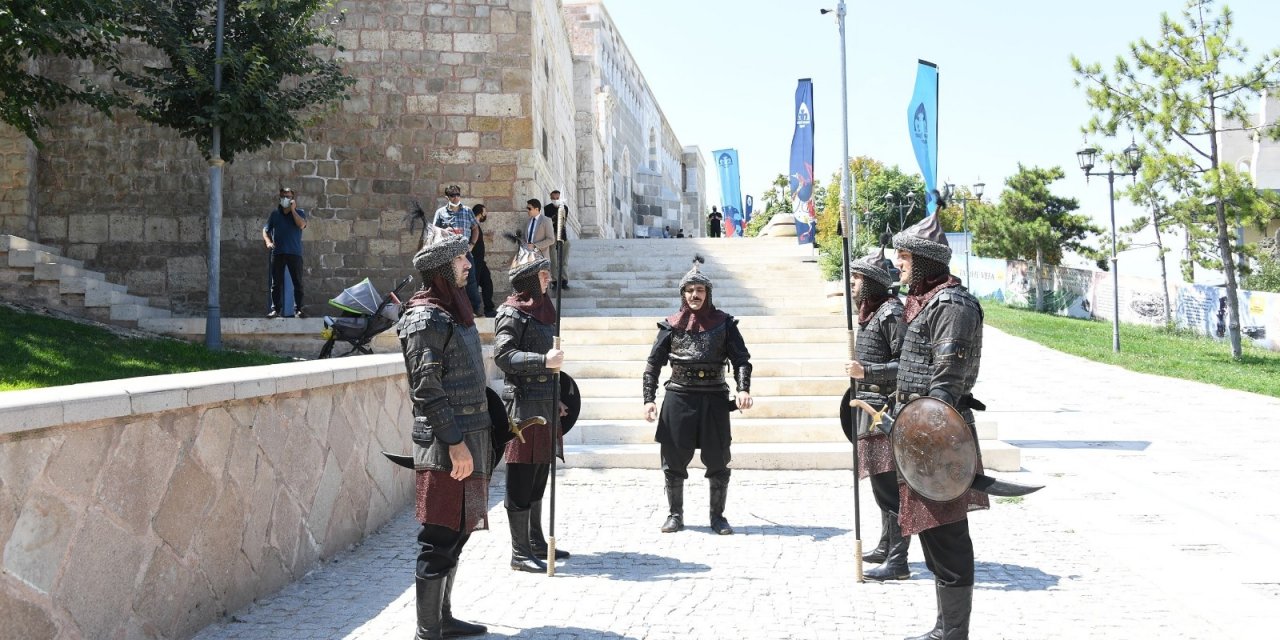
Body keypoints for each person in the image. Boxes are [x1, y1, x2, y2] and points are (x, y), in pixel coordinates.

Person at [892, 215, 987, 640]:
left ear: (927, 261)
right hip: (920, 436)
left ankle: (954, 634)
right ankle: (943, 627)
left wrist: (929, 442)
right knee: (931, 532)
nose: (898, 263)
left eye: (906, 256)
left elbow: (947, 381)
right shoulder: (928, 302)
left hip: (940, 440)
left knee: (947, 537)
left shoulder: (953, 305)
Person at [396, 225, 492, 639]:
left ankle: (443, 619)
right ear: (440, 268)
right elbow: (427, 389)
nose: (468, 264)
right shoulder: (424, 317)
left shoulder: (454, 310)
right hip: (444, 444)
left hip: (470, 437)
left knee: (458, 530)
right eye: (459, 259)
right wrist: (454, 444)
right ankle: (427, 631)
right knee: (438, 536)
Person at [643, 257, 753, 535]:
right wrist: (649, 399)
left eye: (700, 290)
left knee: (718, 460)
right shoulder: (670, 326)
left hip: (714, 398)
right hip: (678, 397)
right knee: (673, 460)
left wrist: (743, 389)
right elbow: (653, 364)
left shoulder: (725, 324)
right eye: (690, 290)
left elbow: (741, 359)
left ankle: (718, 518)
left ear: (708, 294)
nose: (695, 295)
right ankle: (675, 514)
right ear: (683, 294)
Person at [493, 244, 571, 572]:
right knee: (522, 477)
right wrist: (542, 360)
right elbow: (503, 356)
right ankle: (519, 552)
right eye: (542, 273)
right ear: (527, 278)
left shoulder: (544, 310)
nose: (549, 278)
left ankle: (536, 541)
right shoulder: (511, 312)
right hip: (522, 407)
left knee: (540, 473)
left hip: (546, 403)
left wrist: (559, 397)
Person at [842, 253, 908, 582]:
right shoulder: (871, 314)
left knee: (890, 487)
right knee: (880, 486)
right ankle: (886, 545)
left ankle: (898, 561)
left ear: (869, 282)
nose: (851, 284)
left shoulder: (891, 312)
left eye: (856, 279)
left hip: (884, 411)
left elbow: (906, 366)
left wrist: (865, 370)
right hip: (867, 410)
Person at [433, 185, 483, 316]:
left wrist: (472, 244)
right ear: (447, 197)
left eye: (458, 194)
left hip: (465, 252)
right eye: (452, 195)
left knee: (471, 281)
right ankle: (450, 308)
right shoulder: (440, 213)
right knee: (449, 281)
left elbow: (475, 229)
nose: (456, 198)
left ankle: (474, 309)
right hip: (448, 253)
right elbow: (434, 232)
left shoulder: (467, 211)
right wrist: (444, 232)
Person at [262, 187, 308, 318]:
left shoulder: (300, 213)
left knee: (297, 282)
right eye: (283, 196)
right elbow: (265, 230)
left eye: (288, 196)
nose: (285, 199)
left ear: (293, 199)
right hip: (278, 253)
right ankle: (275, 309)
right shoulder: (275, 214)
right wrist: (268, 242)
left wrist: (292, 210)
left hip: (294, 253)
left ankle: (299, 309)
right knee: (275, 283)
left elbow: (301, 225)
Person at [470, 204, 497, 317]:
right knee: (473, 286)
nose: (486, 214)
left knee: (487, 283)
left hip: (480, 261)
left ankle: (489, 309)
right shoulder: (471, 225)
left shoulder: (477, 225)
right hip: (474, 261)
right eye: (485, 212)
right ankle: (472, 310)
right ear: (480, 213)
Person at [543, 189, 571, 290]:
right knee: (553, 258)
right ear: (551, 198)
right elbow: (548, 222)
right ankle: (555, 280)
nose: (555, 200)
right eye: (553, 198)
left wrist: (554, 220)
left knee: (564, 257)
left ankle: (564, 279)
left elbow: (562, 222)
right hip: (552, 234)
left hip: (562, 234)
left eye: (557, 198)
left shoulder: (564, 208)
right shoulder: (547, 208)